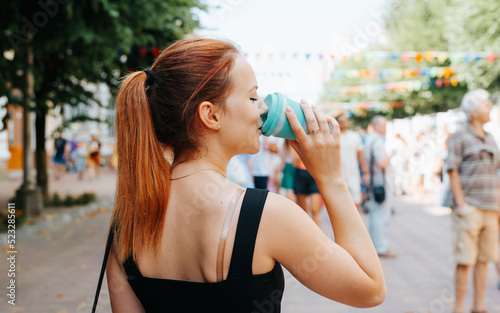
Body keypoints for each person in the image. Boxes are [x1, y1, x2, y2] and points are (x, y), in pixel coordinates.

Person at [105, 38, 385, 312]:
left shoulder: (125, 227)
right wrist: (332, 180)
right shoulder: (267, 215)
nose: (262, 108)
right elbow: (370, 290)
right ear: (211, 115)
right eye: (252, 97)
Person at [444, 89, 500, 313]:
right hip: (469, 208)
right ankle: (458, 308)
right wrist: (461, 205)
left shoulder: (490, 138)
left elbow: (495, 173)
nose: (490, 108)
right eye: (486, 105)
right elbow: (451, 170)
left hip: (490, 207)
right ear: (473, 112)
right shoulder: (459, 136)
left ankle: (478, 307)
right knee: (465, 260)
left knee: (484, 259)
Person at [363, 116, 396, 258]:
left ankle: (375, 245)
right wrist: (392, 155)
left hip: (375, 181)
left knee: (375, 215)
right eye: (384, 125)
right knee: (380, 216)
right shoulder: (376, 141)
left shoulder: (369, 139)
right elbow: (382, 163)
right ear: (377, 126)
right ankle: (380, 247)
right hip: (380, 182)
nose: (386, 129)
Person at [337, 114, 369, 212]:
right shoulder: (333, 136)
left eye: (344, 120)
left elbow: (360, 154)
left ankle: (356, 220)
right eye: (340, 121)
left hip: (353, 173)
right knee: (340, 200)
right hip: (338, 173)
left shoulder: (354, 136)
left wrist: (365, 170)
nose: (342, 123)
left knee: (356, 197)